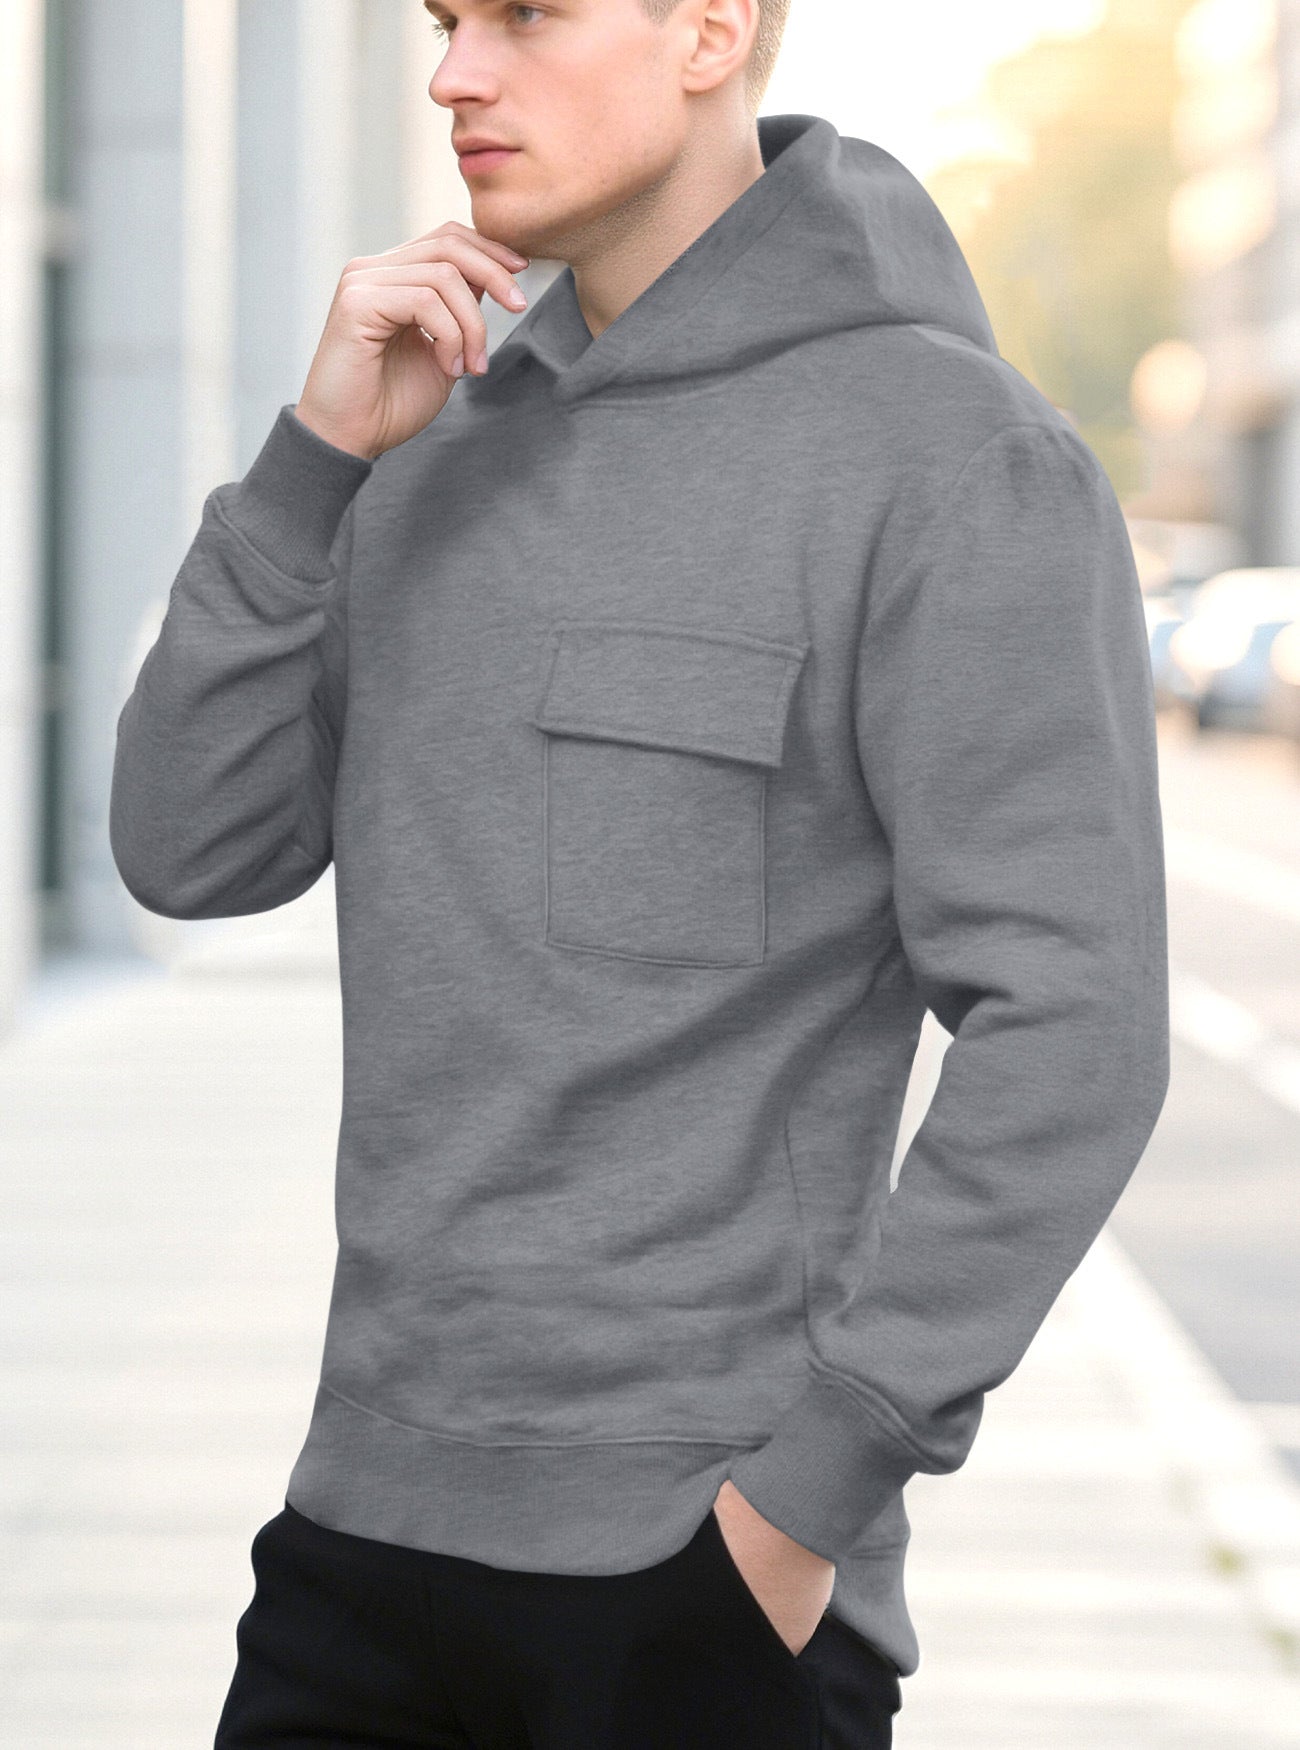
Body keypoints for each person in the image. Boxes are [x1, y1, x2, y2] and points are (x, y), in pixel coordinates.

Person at [108, 0, 1171, 1744]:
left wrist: (809, 1494)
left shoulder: (953, 459)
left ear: (710, 31)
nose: (456, 72)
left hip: (693, 1579)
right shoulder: (421, 437)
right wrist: (310, 468)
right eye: (446, 20)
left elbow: (1076, 1028)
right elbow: (185, 849)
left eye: (527, 14)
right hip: (356, 1533)